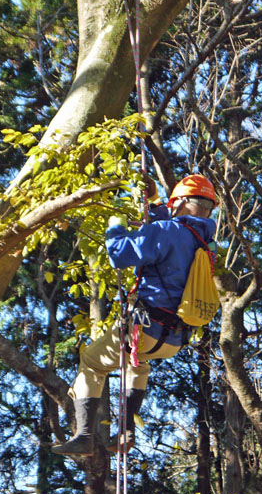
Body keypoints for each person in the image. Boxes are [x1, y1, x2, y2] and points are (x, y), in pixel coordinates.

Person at [52, 175, 217, 457]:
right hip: (173, 340)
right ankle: (127, 432)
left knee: (92, 362)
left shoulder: (167, 230)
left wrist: (116, 223)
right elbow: (171, 230)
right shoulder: (206, 241)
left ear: (178, 202)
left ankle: (84, 436)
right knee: (136, 364)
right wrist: (153, 202)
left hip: (144, 328)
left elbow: (119, 253)